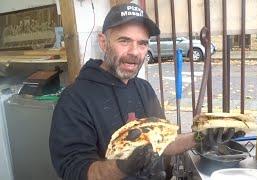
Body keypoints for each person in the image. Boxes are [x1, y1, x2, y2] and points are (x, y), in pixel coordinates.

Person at [49, 3, 198, 180]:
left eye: (142, 43)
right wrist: (122, 166)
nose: (134, 52)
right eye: (124, 41)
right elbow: (75, 170)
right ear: (103, 43)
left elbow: (163, 140)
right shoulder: (74, 99)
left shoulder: (144, 88)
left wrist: (199, 137)